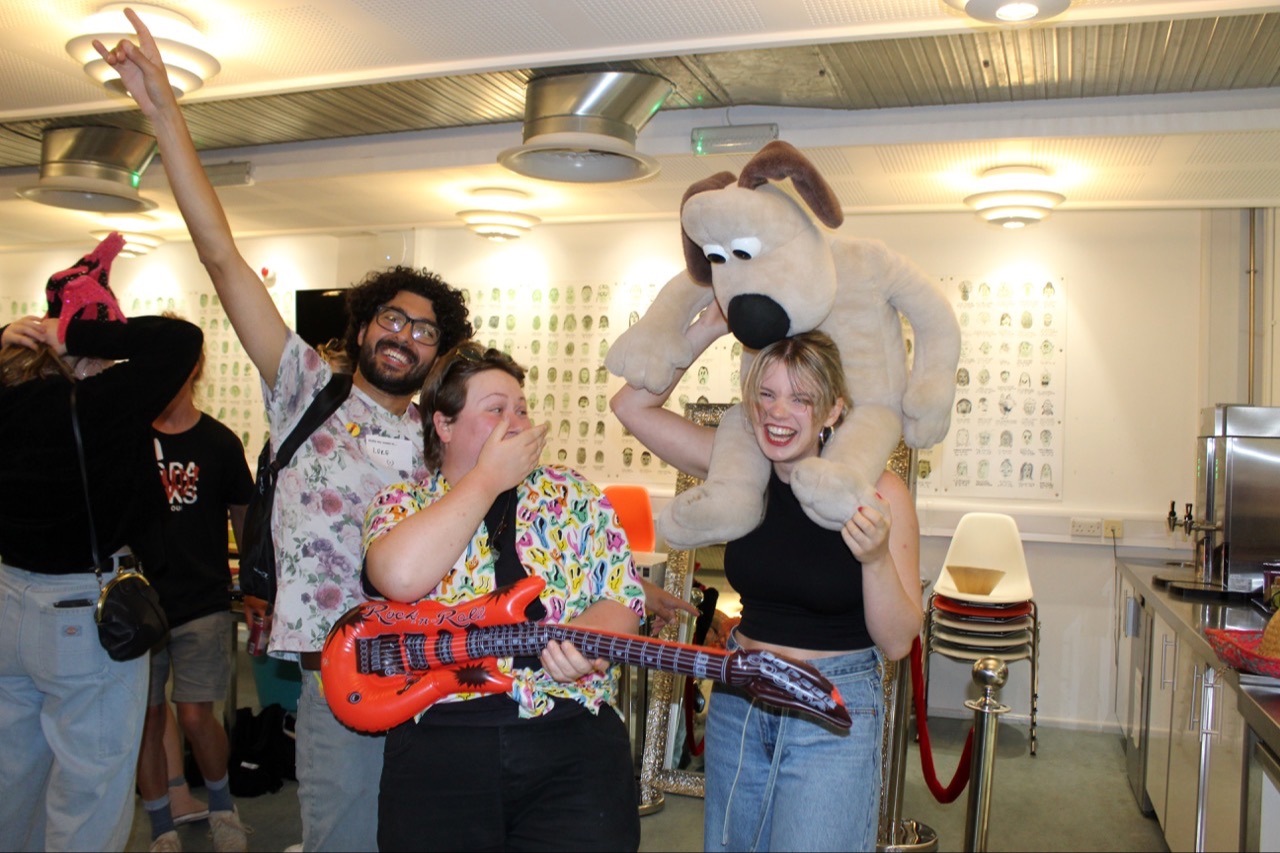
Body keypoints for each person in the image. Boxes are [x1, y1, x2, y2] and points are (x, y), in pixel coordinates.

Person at [95, 14, 472, 850]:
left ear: (438, 352)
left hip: (435, 676)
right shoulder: (307, 391)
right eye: (391, 318)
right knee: (342, 834)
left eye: (424, 330)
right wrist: (164, 115)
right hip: (341, 676)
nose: (404, 336)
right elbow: (223, 257)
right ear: (362, 325)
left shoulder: (442, 439)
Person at [611, 303, 922, 853]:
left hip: (831, 705)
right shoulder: (741, 470)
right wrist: (711, 325)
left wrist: (875, 559)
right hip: (741, 696)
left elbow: (897, 641)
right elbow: (630, 405)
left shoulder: (877, 491)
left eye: (801, 398)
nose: (779, 413)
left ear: (833, 410)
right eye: (767, 394)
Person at [363, 343, 646, 852]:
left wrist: (589, 643)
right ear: (443, 425)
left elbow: (621, 598)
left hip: (570, 730)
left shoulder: (573, 494)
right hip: (441, 740)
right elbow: (399, 577)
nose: (516, 422)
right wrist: (487, 479)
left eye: (522, 408)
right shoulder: (401, 503)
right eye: (496, 409)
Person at [0, 232, 203, 852]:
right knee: (90, 786)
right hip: (82, 613)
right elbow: (180, 340)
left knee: (14, 775)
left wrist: (9, 336)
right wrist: (75, 335)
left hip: (8, 602)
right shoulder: (99, 404)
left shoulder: (9, 399)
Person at [137, 337, 255, 853]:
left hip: (203, 601)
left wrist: (255, 587)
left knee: (193, 714)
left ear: (195, 368)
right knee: (147, 717)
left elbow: (245, 519)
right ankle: (160, 824)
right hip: (140, 607)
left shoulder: (219, 443)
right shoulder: (128, 439)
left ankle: (223, 807)